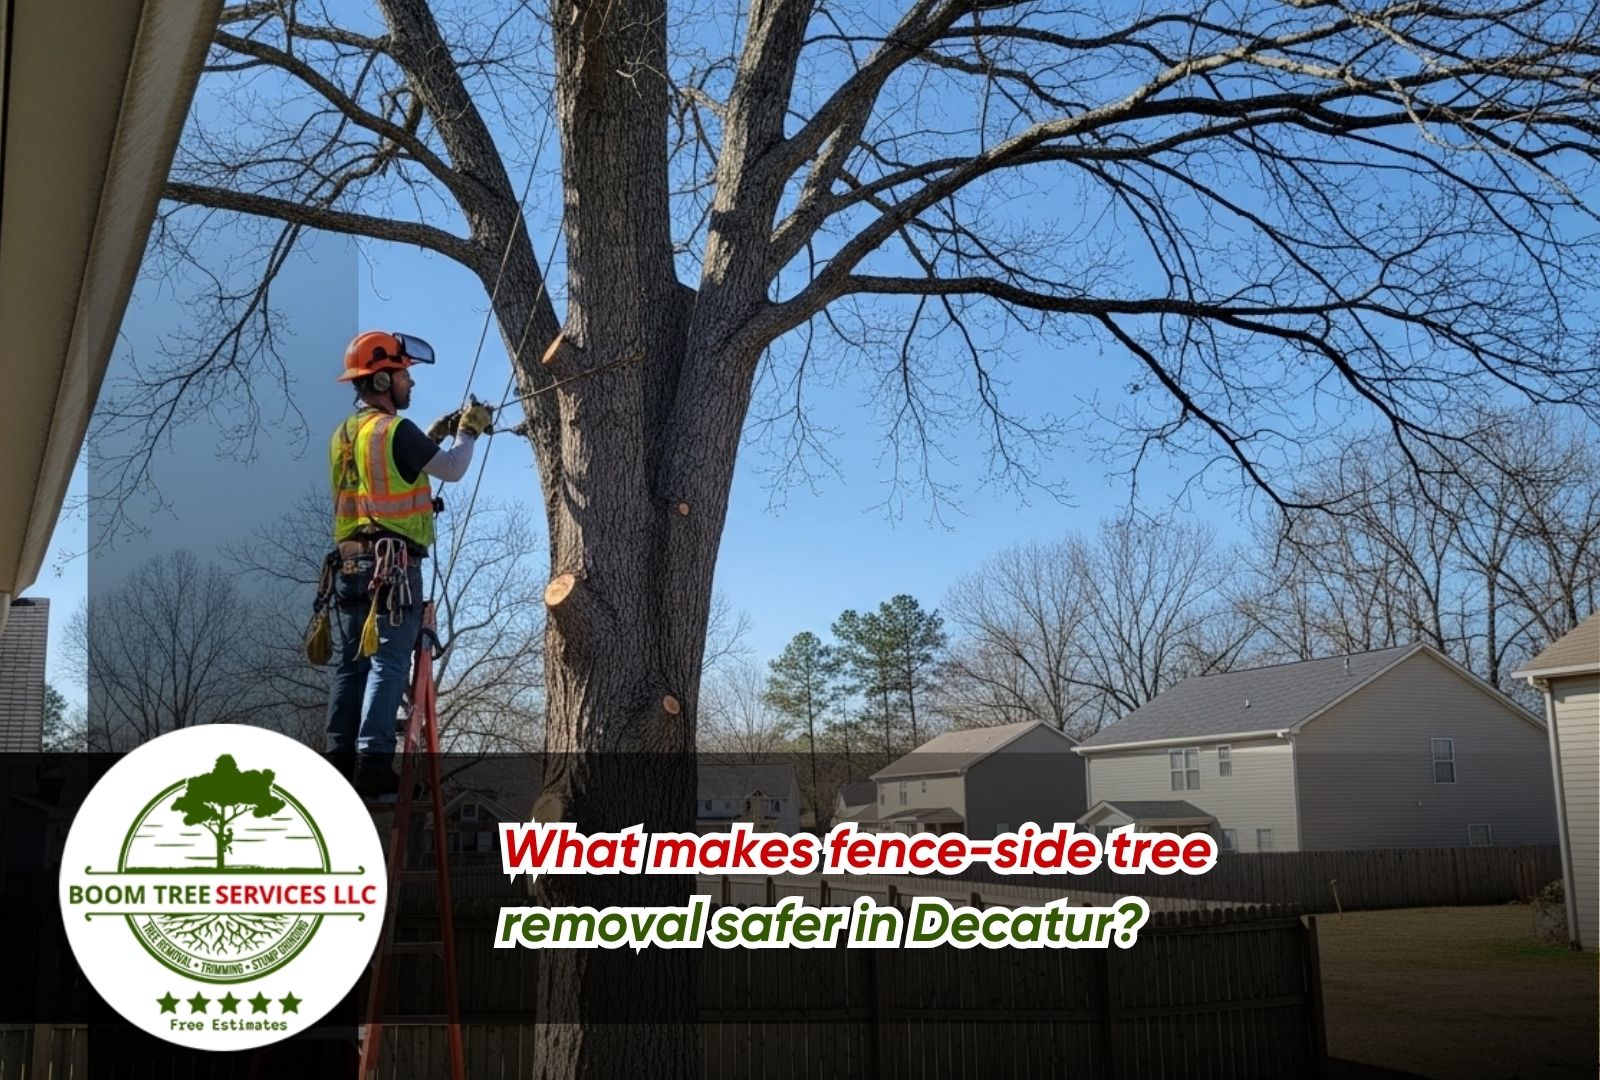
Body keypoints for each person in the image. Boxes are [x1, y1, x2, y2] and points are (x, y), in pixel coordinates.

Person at [325, 330, 491, 799]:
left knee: (351, 667)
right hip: (392, 567)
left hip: (349, 565)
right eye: (403, 375)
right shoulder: (394, 430)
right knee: (389, 663)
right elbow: (452, 469)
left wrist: (432, 436)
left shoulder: (344, 435)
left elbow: (384, 476)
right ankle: (375, 770)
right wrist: (468, 431)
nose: (410, 385)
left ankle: (339, 768)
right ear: (381, 378)